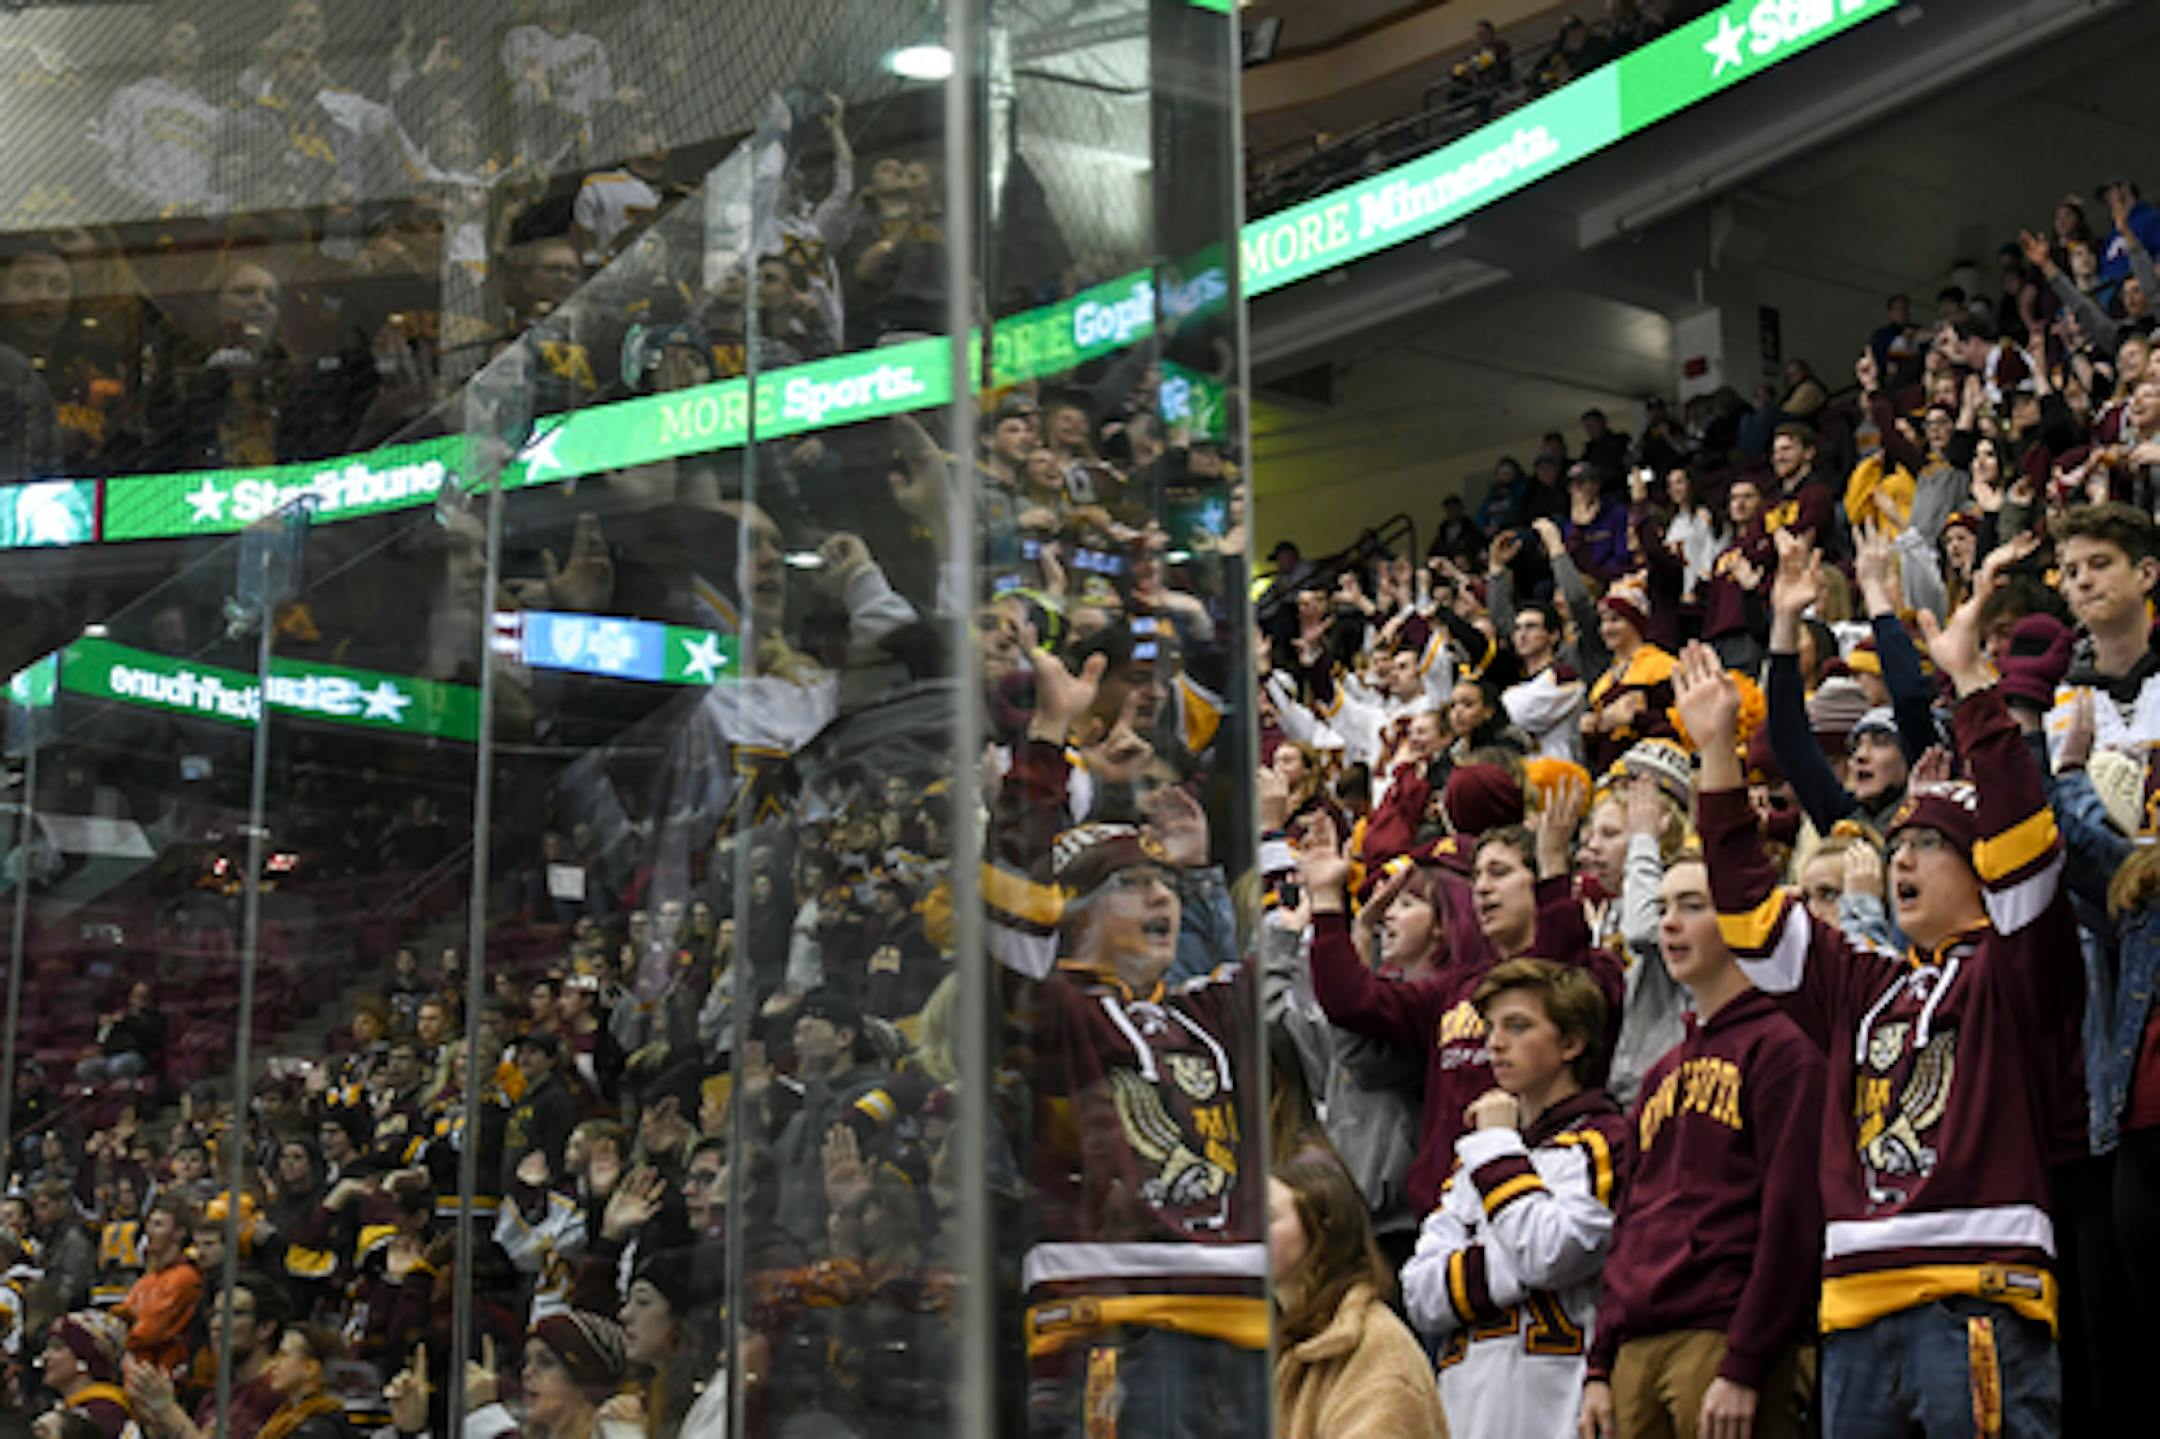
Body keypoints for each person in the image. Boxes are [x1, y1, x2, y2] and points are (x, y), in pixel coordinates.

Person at [1677, 602, 2077, 1436]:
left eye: (1926, 843)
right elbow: (1751, 916)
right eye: (1895, 847)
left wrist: (1970, 683)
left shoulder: (2018, 970)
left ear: (1979, 866)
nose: (1900, 860)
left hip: (1976, 1301)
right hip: (1853, 1312)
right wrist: (1716, 751)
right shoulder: (1862, 982)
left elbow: (2027, 841)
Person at [1578, 855, 1825, 1439]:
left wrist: (1746, 1359)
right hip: (1636, 1344)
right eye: (1663, 908)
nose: (1668, 924)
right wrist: (1599, 1363)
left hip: (1724, 1337)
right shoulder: (1663, 1069)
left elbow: (1793, 1214)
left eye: (1693, 907)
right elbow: (1630, 1221)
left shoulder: (1787, 1046)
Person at [1401, 958, 1626, 1439]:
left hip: (1557, 1403)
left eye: (1518, 1026)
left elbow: (1549, 1253)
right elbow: (1419, 1291)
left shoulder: (1603, 1141)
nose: (1494, 1043)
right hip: (1468, 1402)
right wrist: (1514, 1262)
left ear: (1571, 1043)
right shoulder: (1476, 1156)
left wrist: (1500, 1146)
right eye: (1491, 1028)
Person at [1270, 1156, 1447, 1439]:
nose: (1249, 1230)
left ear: (1323, 1229)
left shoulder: (1378, 1353)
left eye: (1267, 1217)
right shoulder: (1278, 1339)